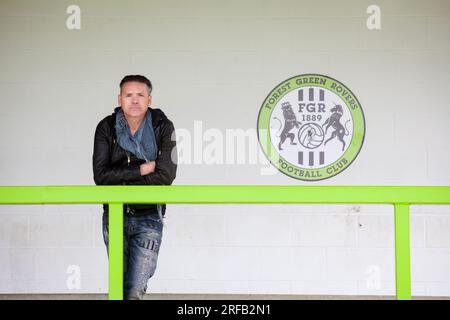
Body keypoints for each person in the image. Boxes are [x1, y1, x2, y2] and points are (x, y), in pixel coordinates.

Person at [92, 75, 177, 300]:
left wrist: (120, 180)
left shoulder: (163, 126)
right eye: (129, 95)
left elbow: (166, 175)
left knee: (135, 289)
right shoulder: (106, 127)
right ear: (120, 98)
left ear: (149, 99)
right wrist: (142, 170)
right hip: (115, 214)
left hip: (149, 215)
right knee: (118, 287)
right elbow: (101, 176)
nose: (135, 100)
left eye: (140, 95)